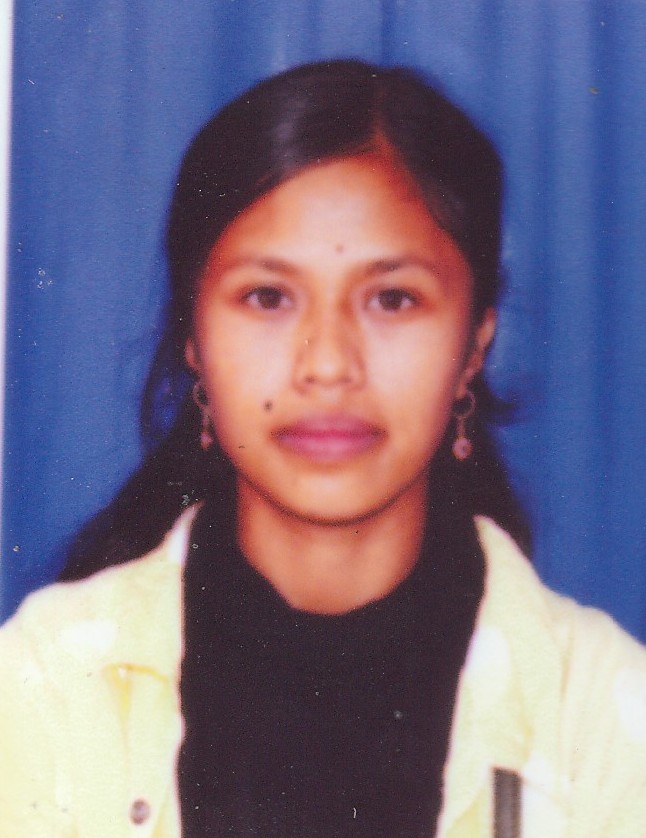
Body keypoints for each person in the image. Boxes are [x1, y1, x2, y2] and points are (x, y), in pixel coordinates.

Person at [1, 59, 645, 838]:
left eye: (393, 299)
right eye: (268, 297)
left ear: (475, 343)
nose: (329, 364)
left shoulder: (603, 720)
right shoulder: (45, 689)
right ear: (194, 337)